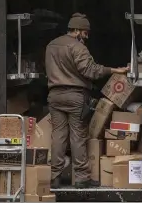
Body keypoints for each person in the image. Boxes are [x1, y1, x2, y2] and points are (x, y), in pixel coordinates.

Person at [45, 13, 129, 189]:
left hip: (54, 95)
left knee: (58, 135)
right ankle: (82, 178)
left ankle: (55, 177)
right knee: (78, 135)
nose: (87, 36)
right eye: (85, 32)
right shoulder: (78, 48)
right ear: (76, 30)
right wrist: (115, 70)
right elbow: (91, 71)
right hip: (75, 96)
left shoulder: (51, 45)